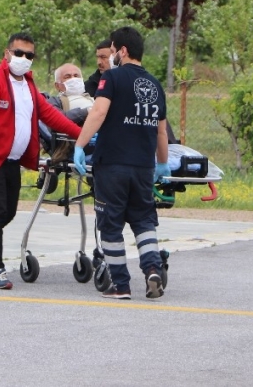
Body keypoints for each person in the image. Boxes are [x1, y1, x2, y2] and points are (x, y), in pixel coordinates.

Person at [0, 33, 82, 290]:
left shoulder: (29, 86)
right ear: (7, 53)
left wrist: (83, 137)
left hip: (10, 159)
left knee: (7, 212)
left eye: (29, 55)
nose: (23, 59)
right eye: (19, 53)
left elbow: (52, 117)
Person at [73, 26, 170, 300]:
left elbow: (99, 112)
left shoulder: (112, 78)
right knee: (143, 221)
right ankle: (152, 269)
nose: (111, 55)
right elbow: (161, 131)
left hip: (113, 165)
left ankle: (121, 285)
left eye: (113, 50)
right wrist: (162, 163)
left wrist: (80, 146)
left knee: (111, 225)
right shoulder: (155, 84)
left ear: (123, 51)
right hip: (143, 168)